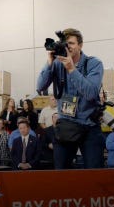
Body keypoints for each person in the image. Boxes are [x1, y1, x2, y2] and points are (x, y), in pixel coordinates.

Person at [37, 28, 105, 169]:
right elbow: (40, 86)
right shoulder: (57, 63)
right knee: (62, 172)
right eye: (65, 43)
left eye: (71, 43)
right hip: (66, 124)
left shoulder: (93, 64)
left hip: (89, 126)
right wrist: (49, 62)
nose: (68, 47)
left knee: (94, 172)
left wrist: (71, 69)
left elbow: (91, 93)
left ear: (80, 45)